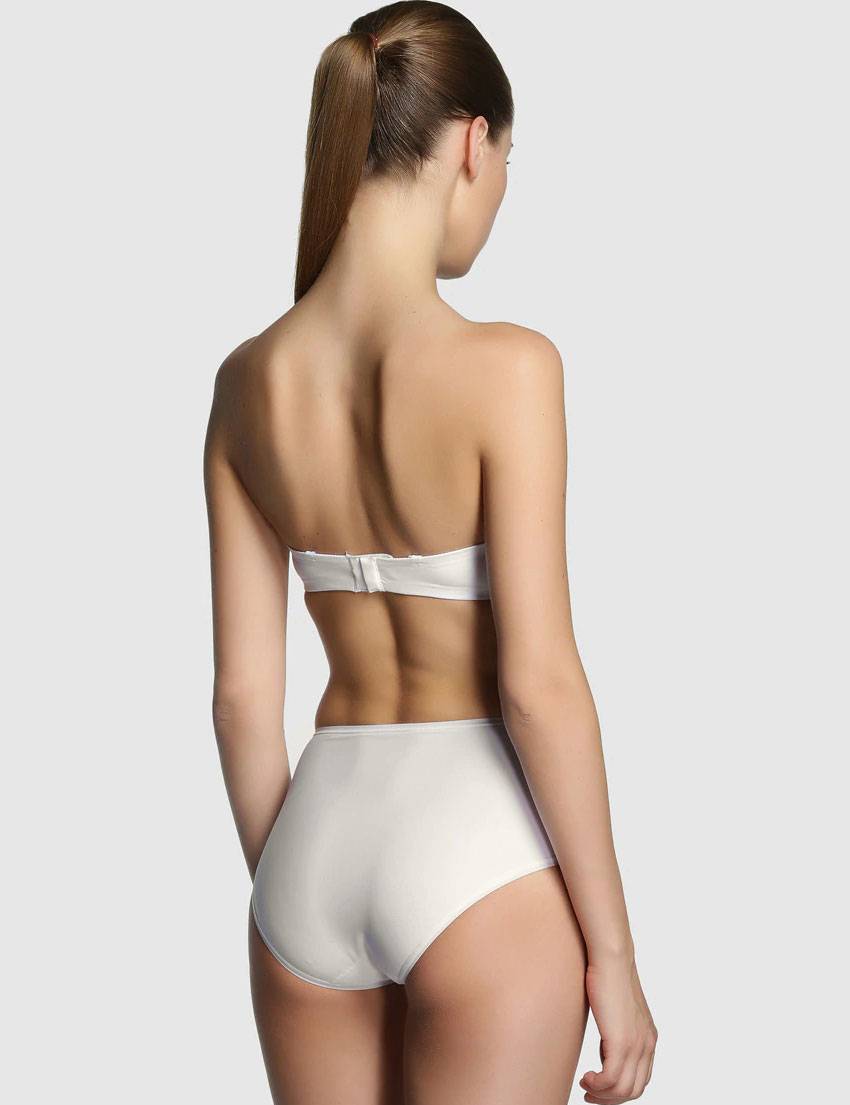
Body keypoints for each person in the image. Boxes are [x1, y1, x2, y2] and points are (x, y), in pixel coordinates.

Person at [203, 3, 657, 1102]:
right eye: (507, 160)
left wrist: (291, 890)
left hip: (312, 844)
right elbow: (538, 685)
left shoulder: (246, 383)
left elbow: (240, 700)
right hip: (476, 851)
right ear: (470, 142)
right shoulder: (510, 368)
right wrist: (616, 954)